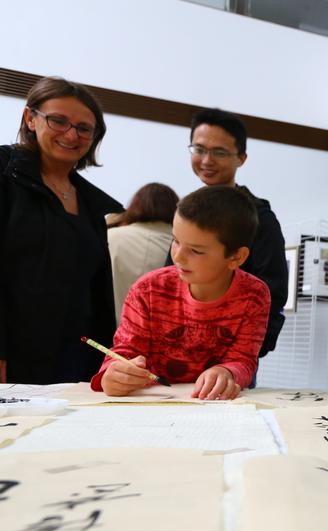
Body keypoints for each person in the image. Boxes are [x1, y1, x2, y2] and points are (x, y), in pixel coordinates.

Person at [92, 185, 270, 400]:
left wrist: (227, 372)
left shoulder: (253, 295)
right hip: (149, 402)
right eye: (175, 241)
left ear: (236, 257)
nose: (178, 257)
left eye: (196, 250)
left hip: (212, 406)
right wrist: (113, 373)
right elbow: (125, 351)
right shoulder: (148, 289)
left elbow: (243, 359)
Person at [0, 77, 123, 384]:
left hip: (76, 358)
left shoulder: (90, 201)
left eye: (84, 129)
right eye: (58, 121)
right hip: (12, 353)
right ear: (30, 118)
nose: (72, 135)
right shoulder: (3, 172)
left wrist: (108, 360)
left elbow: (97, 294)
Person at [186, 108, 287, 359]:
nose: (207, 160)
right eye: (199, 149)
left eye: (219, 152)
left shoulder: (259, 218)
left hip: (232, 351)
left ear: (241, 158)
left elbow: (272, 291)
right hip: (181, 343)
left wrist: (247, 347)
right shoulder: (187, 211)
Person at [107, 182, 179, 322]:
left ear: (135, 206)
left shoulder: (109, 237)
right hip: (160, 335)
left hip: (106, 333)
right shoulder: (182, 246)